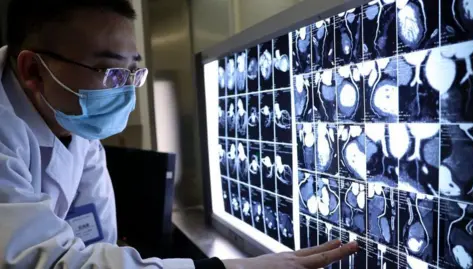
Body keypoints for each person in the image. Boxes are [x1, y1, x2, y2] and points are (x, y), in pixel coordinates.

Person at [0, 0, 359, 268]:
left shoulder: (71, 121)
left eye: (132, 73)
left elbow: (96, 242)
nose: (125, 91)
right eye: (110, 72)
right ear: (34, 70)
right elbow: (49, 263)